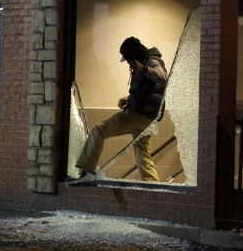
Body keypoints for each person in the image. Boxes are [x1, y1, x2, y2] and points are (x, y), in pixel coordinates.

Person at [67, 36, 168, 186]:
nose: (127, 63)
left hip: (138, 115)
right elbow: (148, 90)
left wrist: (143, 68)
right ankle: (153, 185)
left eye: (128, 59)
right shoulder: (146, 61)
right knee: (142, 152)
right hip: (149, 118)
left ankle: (88, 172)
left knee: (99, 131)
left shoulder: (151, 61)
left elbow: (163, 77)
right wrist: (129, 98)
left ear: (134, 55)